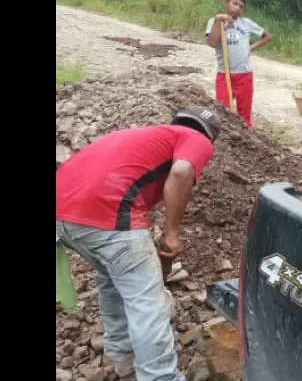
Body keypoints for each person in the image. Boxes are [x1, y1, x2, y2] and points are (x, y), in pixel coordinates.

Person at [56, 107, 222, 381]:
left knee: (112, 281)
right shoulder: (197, 139)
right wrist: (172, 234)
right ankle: (160, 376)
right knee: (147, 300)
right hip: (106, 211)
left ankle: (123, 359)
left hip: (64, 214)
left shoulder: (147, 136)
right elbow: (181, 172)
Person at [205, 0, 273, 128]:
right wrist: (219, 20)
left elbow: (267, 36)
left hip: (244, 76)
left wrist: (251, 47)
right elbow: (212, 43)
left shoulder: (246, 23)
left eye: (241, 7)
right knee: (222, 113)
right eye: (235, 4)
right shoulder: (214, 21)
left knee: (244, 116)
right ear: (226, 3)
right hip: (224, 75)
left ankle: (246, 139)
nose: (237, 8)